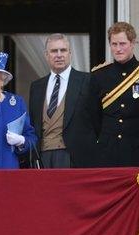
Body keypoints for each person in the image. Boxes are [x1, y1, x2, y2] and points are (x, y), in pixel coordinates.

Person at [90, 22, 139, 167]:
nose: (118, 49)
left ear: (132, 43)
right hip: (109, 151)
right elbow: (94, 116)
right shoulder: (99, 75)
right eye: (114, 44)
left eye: (122, 43)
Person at [29, 34, 97, 168]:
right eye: (54, 51)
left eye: (63, 50)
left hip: (75, 156)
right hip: (43, 156)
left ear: (70, 53)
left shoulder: (87, 81)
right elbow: (33, 123)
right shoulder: (36, 86)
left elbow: (97, 120)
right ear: (46, 55)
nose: (59, 55)